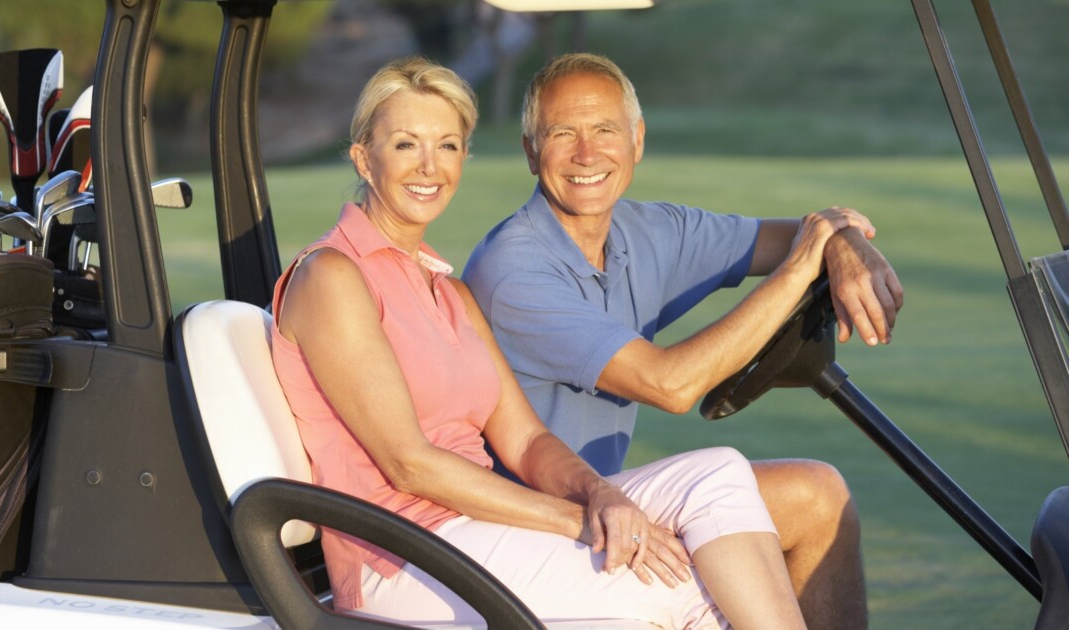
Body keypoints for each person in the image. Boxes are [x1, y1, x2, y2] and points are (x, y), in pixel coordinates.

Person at [270, 56, 867, 627]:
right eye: (406, 145)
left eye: (446, 146)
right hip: (402, 557)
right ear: (363, 159)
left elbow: (526, 439)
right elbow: (410, 464)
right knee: (686, 584)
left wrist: (602, 497)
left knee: (718, 475)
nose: (429, 166)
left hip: (474, 532)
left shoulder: (446, 291)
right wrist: (577, 521)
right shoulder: (333, 276)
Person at [463, 52, 904, 630]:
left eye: (605, 131)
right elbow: (670, 385)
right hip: (531, 526)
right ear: (529, 151)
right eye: (562, 134)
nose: (587, 154)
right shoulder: (513, 270)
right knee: (736, 541)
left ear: (637, 139)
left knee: (819, 498)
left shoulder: (647, 231)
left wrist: (841, 239)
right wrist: (801, 268)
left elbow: (791, 236)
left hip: (605, 498)